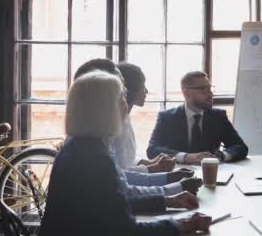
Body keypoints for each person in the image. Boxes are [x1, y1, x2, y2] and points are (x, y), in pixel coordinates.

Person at [40, 71, 211, 236]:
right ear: (105, 109)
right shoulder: (95, 160)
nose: (126, 105)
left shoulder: (78, 147)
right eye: (122, 98)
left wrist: (169, 200)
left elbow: (115, 202)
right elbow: (125, 231)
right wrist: (181, 224)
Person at [74, 59, 201, 197]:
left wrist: (165, 176)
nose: (126, 93)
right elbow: (124, 191)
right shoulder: (91, 147)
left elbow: (118, 176)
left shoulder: (97, 135)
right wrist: (172, 186)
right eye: (122, 91)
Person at [147, 71, 248, 164]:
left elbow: (240, 147)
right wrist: (185, 157)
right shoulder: (167, 118)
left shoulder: (218, 117)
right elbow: (152, 149)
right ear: (187, 93)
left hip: (212, 173)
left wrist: (221, 155)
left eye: (210, 89)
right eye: (204, 89)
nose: (210, 94)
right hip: (178, 175)